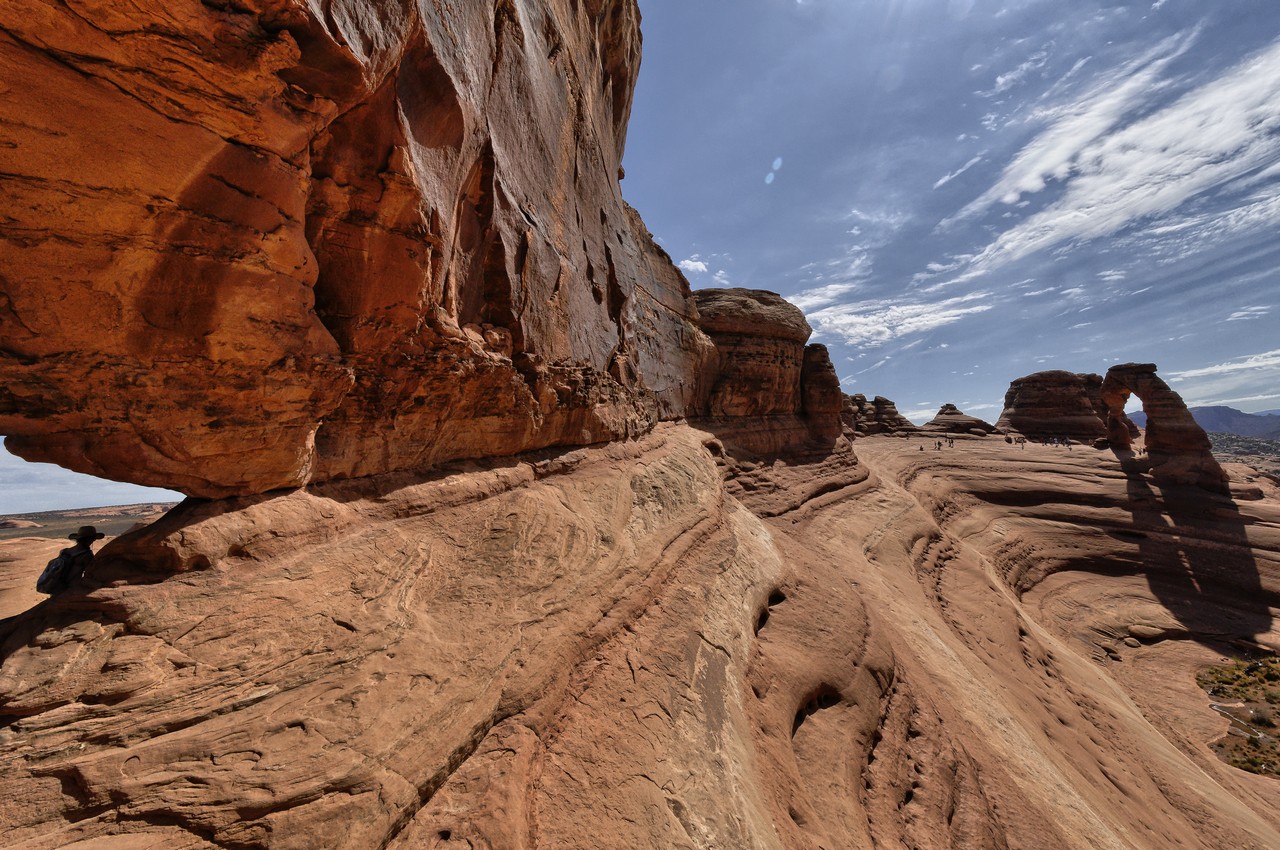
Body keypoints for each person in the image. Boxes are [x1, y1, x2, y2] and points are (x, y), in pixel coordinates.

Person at [38, 525, 104, 595]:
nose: (93, 540)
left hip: (57, 585)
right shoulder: (86, 555)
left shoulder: (65, 551)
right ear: (89, 539)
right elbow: (91, 572)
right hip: (71, 587)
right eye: (93, 538)